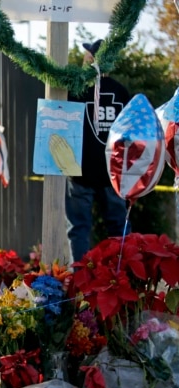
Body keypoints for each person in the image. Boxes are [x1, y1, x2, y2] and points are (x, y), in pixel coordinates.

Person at [66, 40, 131, 262]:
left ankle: (80, 282)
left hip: (80, 172)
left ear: (93, 60)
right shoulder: (121, 92)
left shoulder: (76, 92)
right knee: (119, 229)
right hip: (113, 175)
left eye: (87, 56)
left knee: (79, 229)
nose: (84, 59)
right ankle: (124, 277)